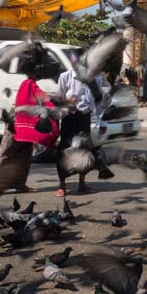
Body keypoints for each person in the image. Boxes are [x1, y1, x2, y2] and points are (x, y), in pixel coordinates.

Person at [0, 58, 59, 191]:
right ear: (32, 72)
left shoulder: (29, 83)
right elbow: (42, 97)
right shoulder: (29, 84)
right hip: (17, 125)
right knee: (6, 154)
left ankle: (19, 183)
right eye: (38, 70)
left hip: (25, 126)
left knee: (23, 156)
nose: (40, 72)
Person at [54, 63, 101, 196]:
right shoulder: (65, 77)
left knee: (85, 151)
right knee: (64, 150)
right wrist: (68, 101)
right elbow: (59, 99)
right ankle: (62, 185)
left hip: (85, 118)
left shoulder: (95, 79)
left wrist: (98, 115)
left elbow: (98, 100)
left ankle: (82, 183)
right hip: (69, 117)